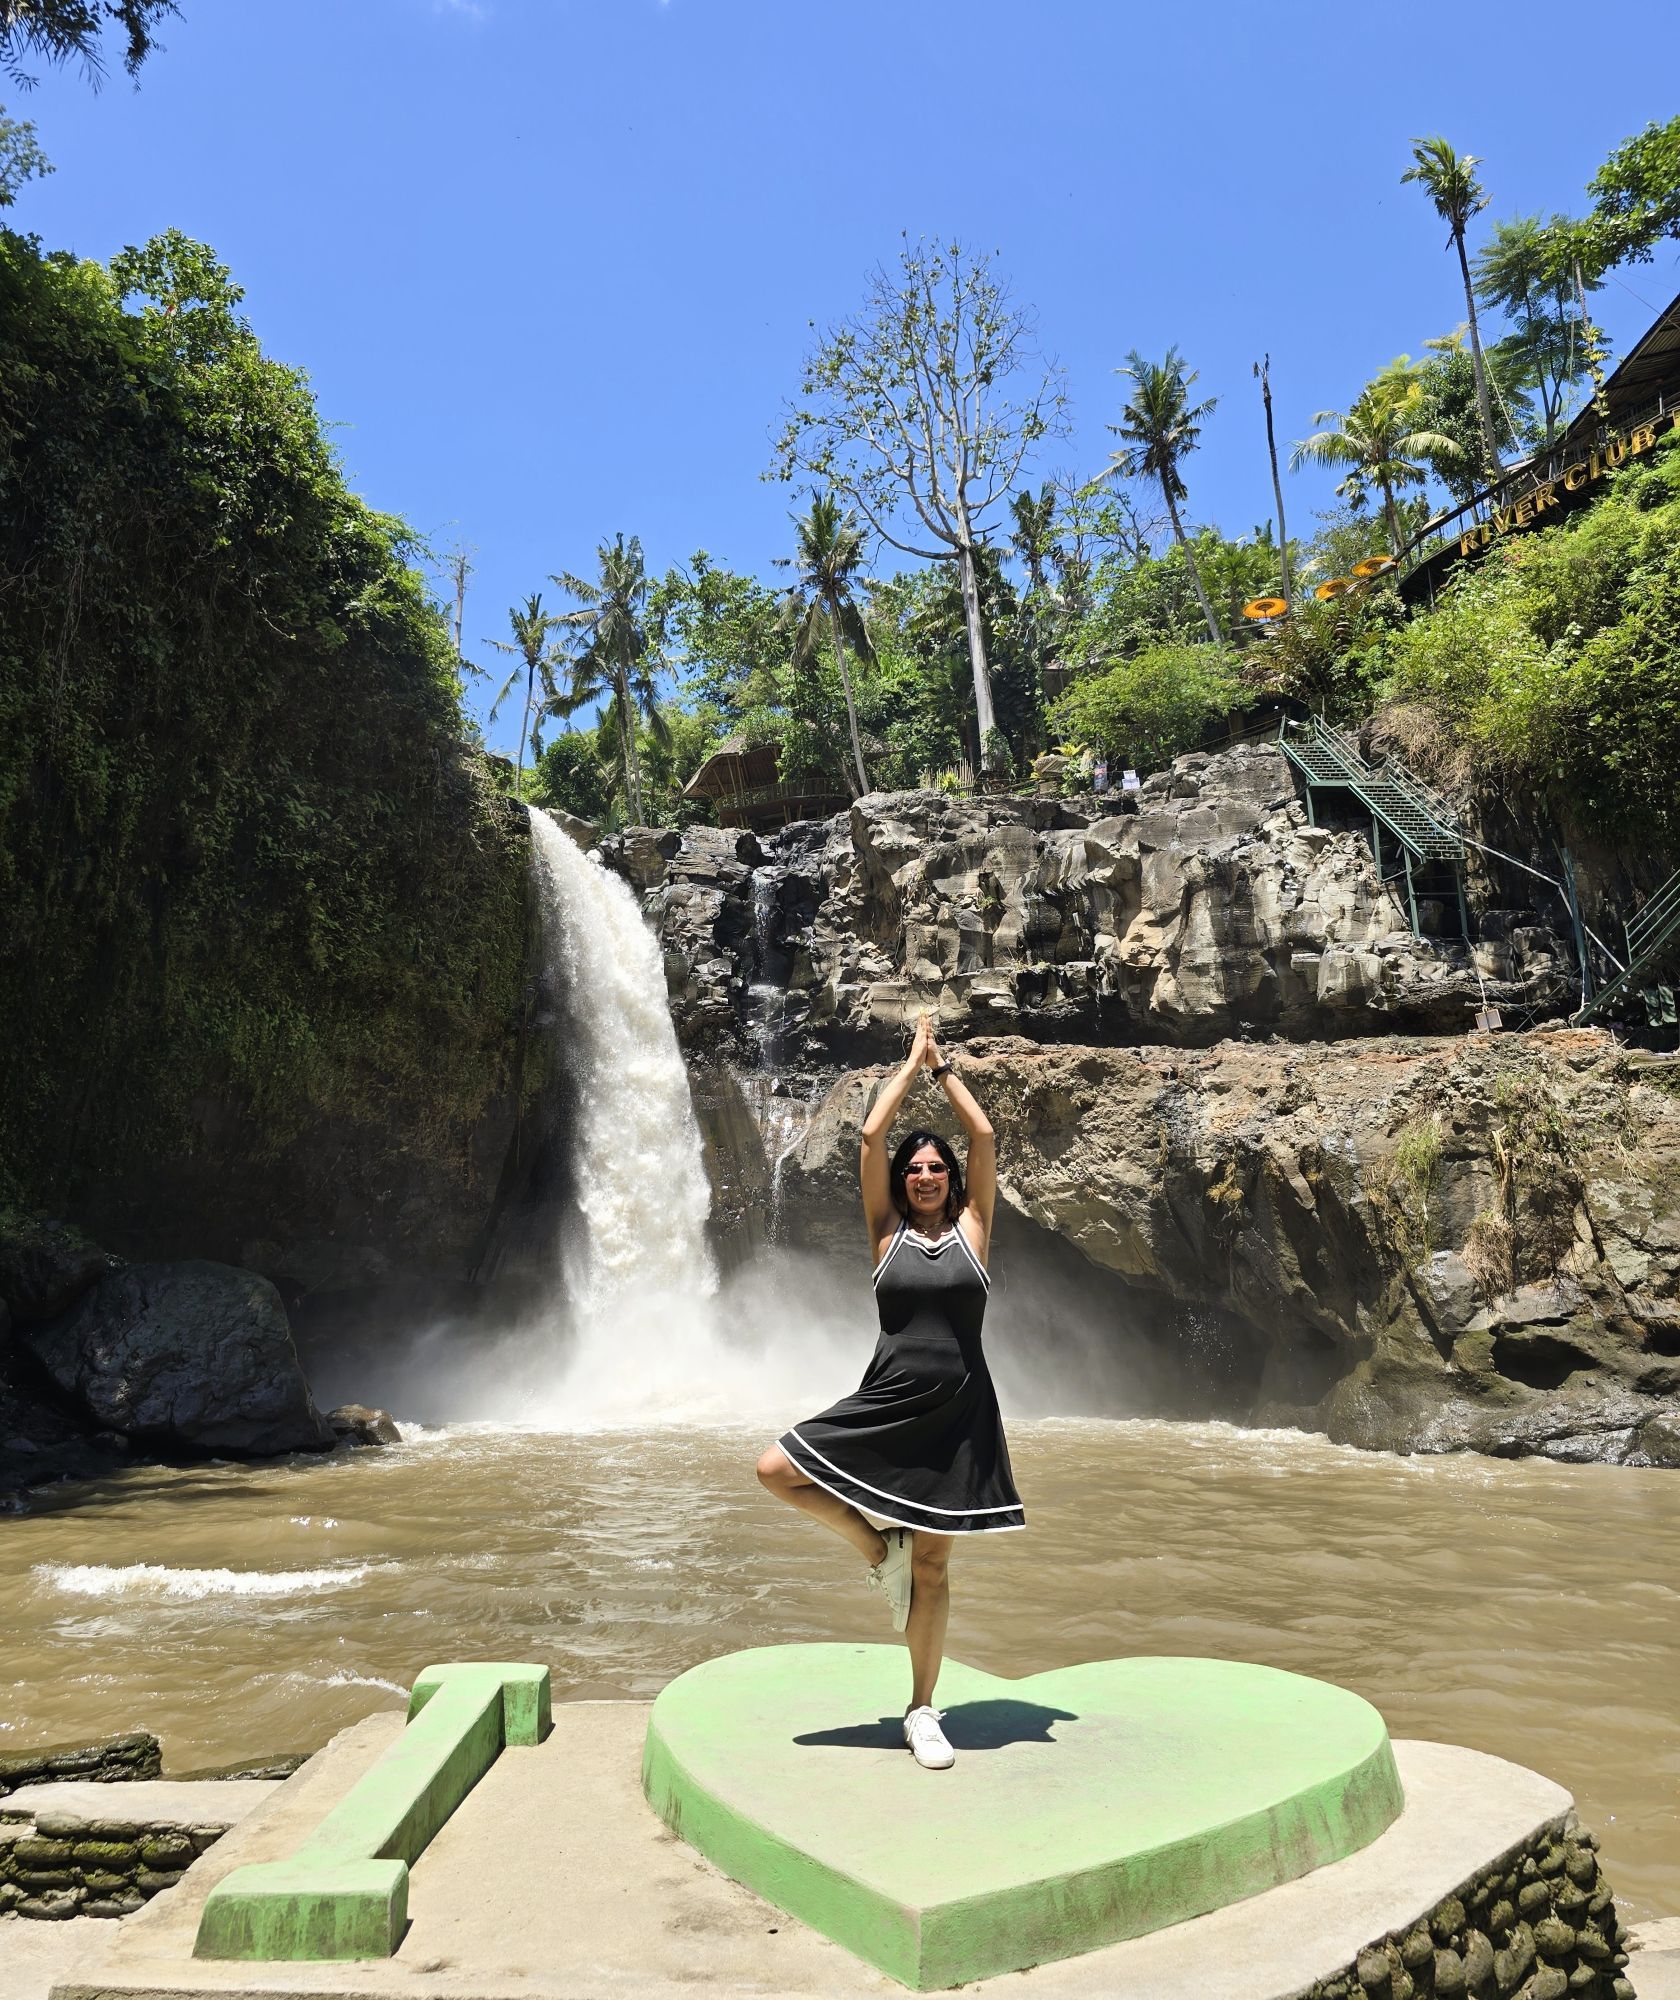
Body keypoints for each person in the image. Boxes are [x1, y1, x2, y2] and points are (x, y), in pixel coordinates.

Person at [756, 1011, 1025, 1771]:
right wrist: (909, 1064)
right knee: (775, 1469)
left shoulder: (975, 1229)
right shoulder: (885, 1233)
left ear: (952, 1180)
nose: (926, 1175)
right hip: (888, 1397)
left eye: (937, 1168)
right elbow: (872, 1137)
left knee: (935, 1569)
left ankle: (922, 1708)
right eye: (916, 1169)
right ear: (903, 1183)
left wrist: (945, 1070)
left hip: (960, 1410)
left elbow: (984, 1137)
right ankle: (879, 1550)